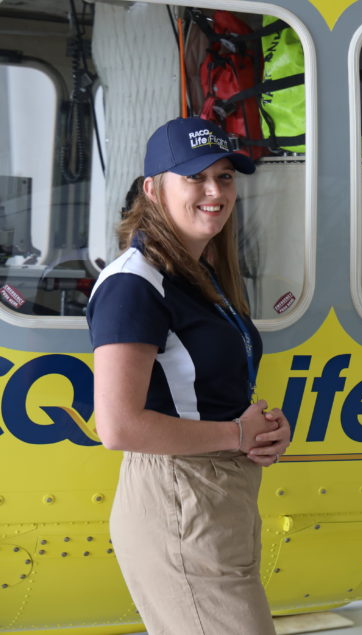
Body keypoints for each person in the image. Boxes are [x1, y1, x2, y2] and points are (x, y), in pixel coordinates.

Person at [87, 117, 291, 635]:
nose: (214, 191)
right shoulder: (135, 284)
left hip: (219, 498)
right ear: (152, 189)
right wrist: (235, 434)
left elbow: (203, 387)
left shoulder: (202, 276)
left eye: (225, 177)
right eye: (195, 177)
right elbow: (118, 426)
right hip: (181, 498)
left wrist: (261, 429)